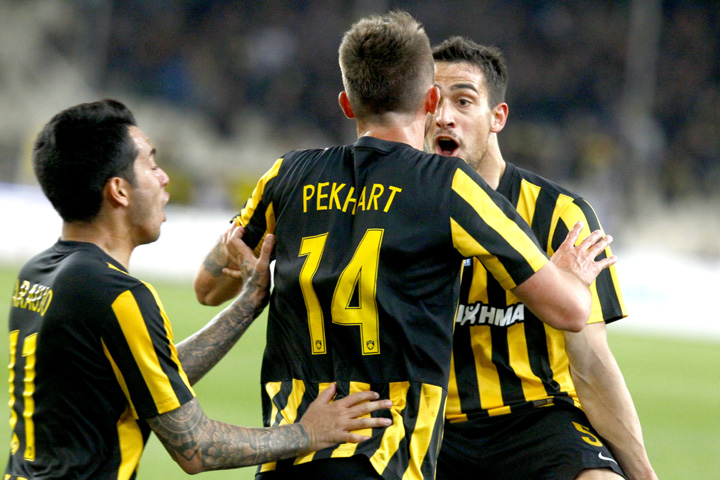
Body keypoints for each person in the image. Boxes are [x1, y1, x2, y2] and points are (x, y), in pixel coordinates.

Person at [194, 11, 616, 480]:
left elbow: (207, 288)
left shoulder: (288, 174)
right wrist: (573, 276)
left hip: (290, 452)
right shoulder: (446, 186)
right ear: (430, 101)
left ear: (346, 104)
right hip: (383, 456)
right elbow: (569, 311)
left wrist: (242, 269)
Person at [4, 99, 394, 480]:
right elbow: (196, 446)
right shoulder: (115, 295)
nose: (164, 178)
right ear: (119, 190)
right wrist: (307, 433)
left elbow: (146, 382)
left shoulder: (38, 273)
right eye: (152, 165)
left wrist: (248, 304)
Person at [425, 36, 658, 480]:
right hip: (431, 424)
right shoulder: (398, 210)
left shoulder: (561, 216)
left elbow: (590, 364)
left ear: (497, 117)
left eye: (463, 101)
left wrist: (643, 474)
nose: (443, 116)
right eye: (432, 101)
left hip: (537, 419)